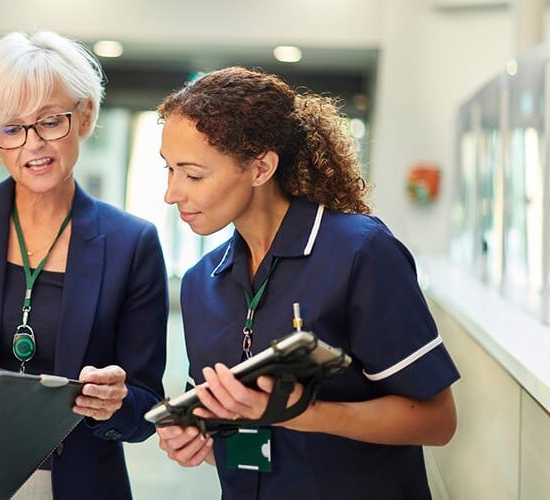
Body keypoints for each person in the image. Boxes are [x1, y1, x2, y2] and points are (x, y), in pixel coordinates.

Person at [154, 67, 459, 499]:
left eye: (193, 174)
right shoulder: (203, 283)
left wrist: (302, 413)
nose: (172, 193)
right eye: (168, 170)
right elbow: (224, 427)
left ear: (261, 167)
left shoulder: (360, 252)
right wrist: (195, 440)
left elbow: (437, 420)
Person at [0, 31, 168, 500]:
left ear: (83, 116)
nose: (33, 144)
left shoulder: (132, 243)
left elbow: (145, 409)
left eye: (49, 121)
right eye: (12, 128)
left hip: (79, 485)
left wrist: (116, 404)